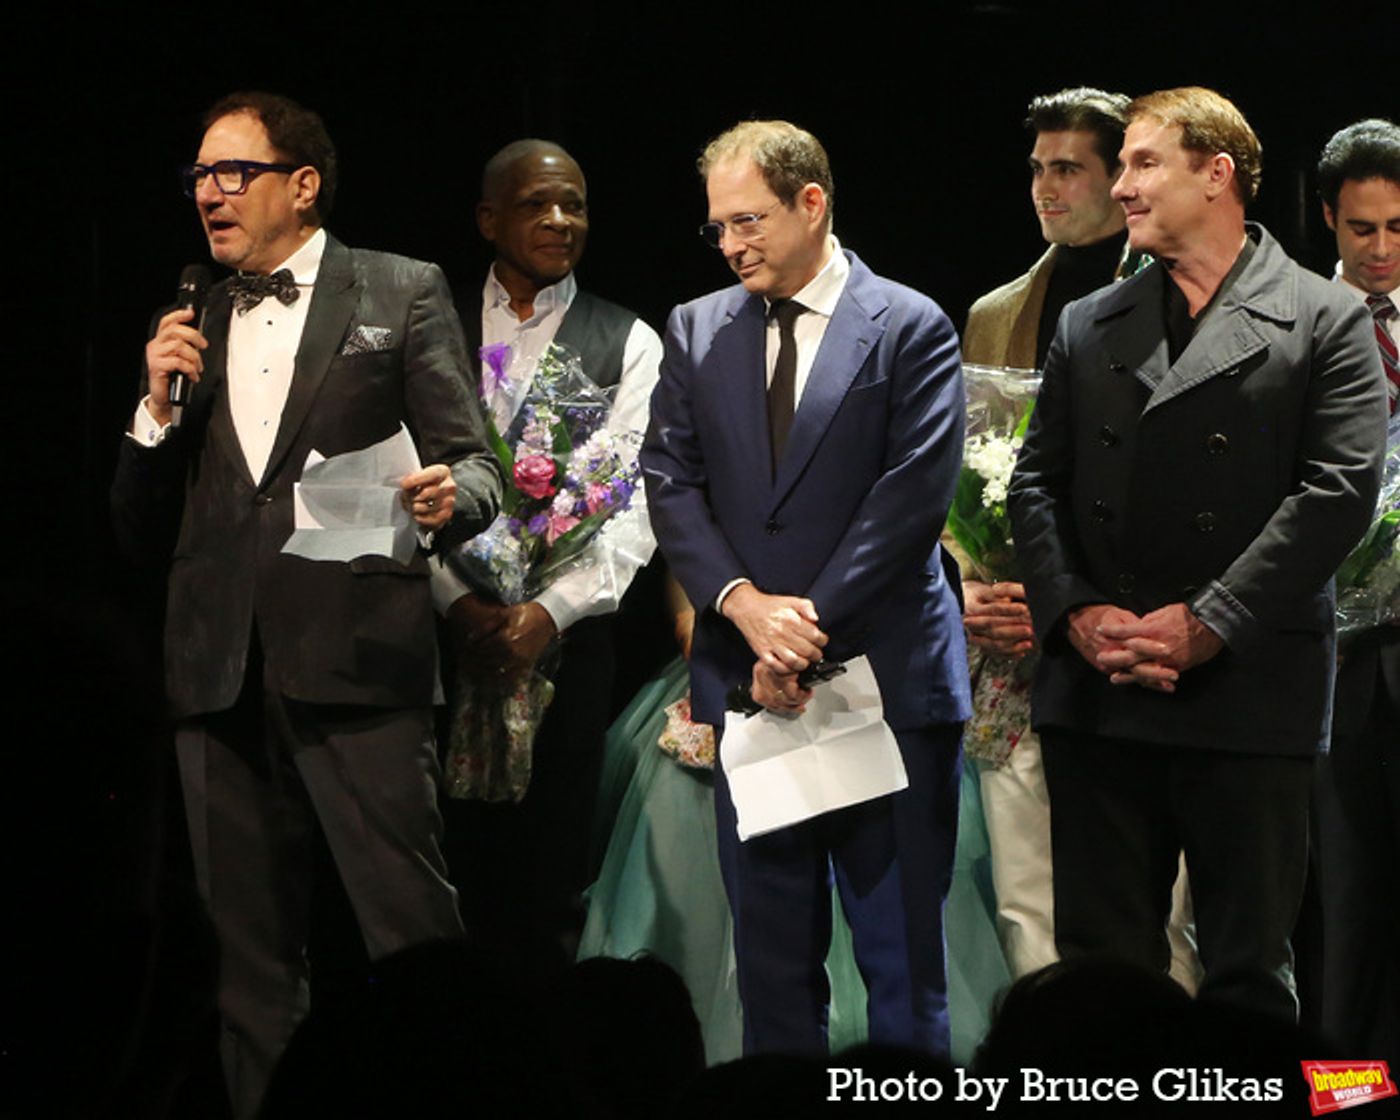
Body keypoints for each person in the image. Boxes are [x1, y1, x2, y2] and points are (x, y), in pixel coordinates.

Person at [110, 91, 501, 1119]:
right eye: (197, 174)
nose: (209, 193)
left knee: (413, 943)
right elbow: (138, 529)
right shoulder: (193, 308)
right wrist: (152, 412)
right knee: (247, 974)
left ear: (302, 183)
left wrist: (448, 494)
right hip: (216, 676)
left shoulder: (400, 289)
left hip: (357, 662)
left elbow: (478, 465)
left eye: (232, 171)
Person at [1007, 86, 1387, 1021]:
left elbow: (1336, 491)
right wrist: (1077, 615)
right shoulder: (1088, 323)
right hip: (1102, 692)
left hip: (1246, 691)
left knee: (1247, 974)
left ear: (1217, 175)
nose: (1122, 187)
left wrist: (1210, 621)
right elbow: (1033, 484)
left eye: (1142, 163)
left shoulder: (1321, 318)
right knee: (1102, 975)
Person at [641, 120, 969, 1056]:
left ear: (811, 202)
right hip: (752, 689)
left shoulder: (909, 324)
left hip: (885, 683)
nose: (731, 244)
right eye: (717, 229)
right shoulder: (698, 327)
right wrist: (744, 609)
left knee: (902, 964)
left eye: (749, 221)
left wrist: (803, 628)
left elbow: (910, 500)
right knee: (773, 970)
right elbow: (669, 479)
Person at [960, 87, 1198, 988]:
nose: (1046, 187)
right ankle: (1052, 1070)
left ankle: (1173, 1072)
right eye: (1037, 168)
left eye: (1071, 168)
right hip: (1018, 643)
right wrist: (970, 585)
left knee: (1159, 907)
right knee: (1027, 893)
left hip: (1138, 636)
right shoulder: (995, 314)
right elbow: (968, 475)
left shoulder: (1183, 298)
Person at [433, 139, 662, 964]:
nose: (561, 221)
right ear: (489, 218)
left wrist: (545, 613)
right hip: (441, 639)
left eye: (575, 204)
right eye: (536, 204)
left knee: (549, 869)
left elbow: (635, 505)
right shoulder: (433, 317)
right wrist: (453, 602)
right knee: (446, 869)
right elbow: (400, 474)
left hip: (568, 645)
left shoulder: (629, 338)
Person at [1311, 117, 1400, 1064]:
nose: (1380, 252)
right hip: (1325, 655)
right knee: (1342, 899)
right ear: (1328, 219)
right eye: (1361, 228)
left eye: (1399, 229)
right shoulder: (1292, 321)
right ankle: (1347, 1089)